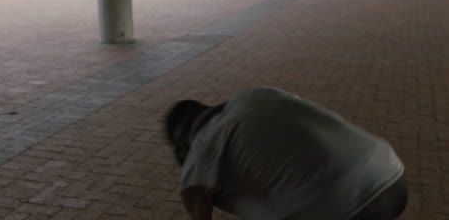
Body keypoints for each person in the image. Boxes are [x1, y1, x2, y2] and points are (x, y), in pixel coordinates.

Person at [165, 87, 408, 220]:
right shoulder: (254, 95)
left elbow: (198, 210)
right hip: (391, 173)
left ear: (184, 141)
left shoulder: (200, 152)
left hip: (344, 208)